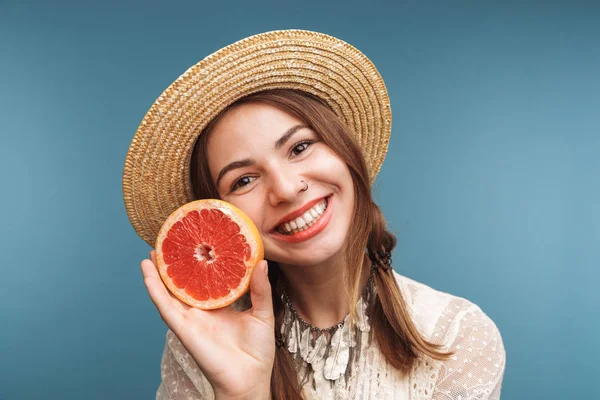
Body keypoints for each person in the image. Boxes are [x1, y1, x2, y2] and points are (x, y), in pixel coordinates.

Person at [123, 30, 506, 399]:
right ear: (220, 217)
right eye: (243, 180)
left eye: (300, 147)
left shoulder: (457, 336)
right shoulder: (202, 342)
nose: (287, 189)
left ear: (344, 150)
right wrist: (242, 393)